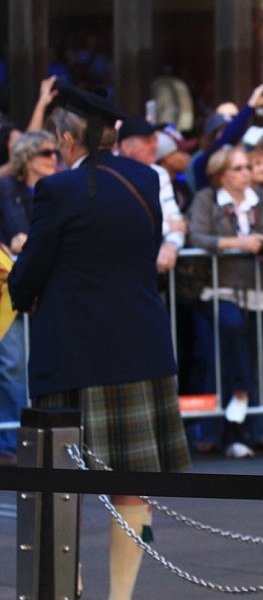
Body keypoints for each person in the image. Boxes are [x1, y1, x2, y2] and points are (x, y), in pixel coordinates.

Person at [8, 84, 190, 600]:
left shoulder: (57, 190)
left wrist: (21, 282)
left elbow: (29, 277)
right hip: (141, 347)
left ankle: (71, 589)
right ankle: (120, 597)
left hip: (76, 352)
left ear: (68, 140)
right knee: (130, 483)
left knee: (63, 483)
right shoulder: (147, 179)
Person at [187, 145, 263, 457]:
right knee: (223, 354)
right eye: (239, 168)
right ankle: (213, 429)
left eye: (248, 167)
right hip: (218, 290)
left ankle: (256, 429)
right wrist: (239, 243)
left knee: (257, 360)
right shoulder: (207, 199)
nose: (247, 173)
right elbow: (197, 237)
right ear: (221, 174)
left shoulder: (261, 198)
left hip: (259, 293)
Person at [0, 130, 58, 466]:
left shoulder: (57, 188)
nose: (53, 158)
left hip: (45, 287)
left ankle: (34, 437)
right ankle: (12, 439)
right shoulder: (7, 189)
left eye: (54, 152)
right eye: (45, 153)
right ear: (26, 156)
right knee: (12, 365)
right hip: (9, 287)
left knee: (35, 363)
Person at [118, 115, 186, 273]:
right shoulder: (110, 172)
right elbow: (125, 226)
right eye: (148, 141)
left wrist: (171, 245)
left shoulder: (160, 173)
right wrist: (167, 226)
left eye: (155, 139)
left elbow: (177, 221)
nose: (155, 146)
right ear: (126, 146)